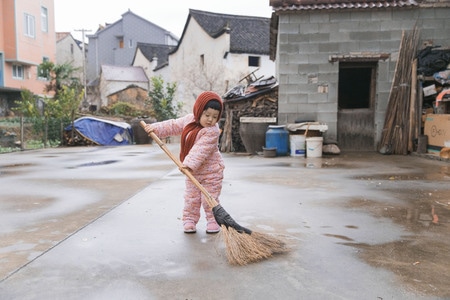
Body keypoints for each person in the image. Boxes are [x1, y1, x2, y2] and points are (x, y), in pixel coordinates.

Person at [143, 91, 224, 234]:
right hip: (192, 170)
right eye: (207, 115)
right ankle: (189, 220)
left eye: (215, 117)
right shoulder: (190, 120)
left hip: (211, 172)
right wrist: (155, 128)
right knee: (191, 197)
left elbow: (201, 149)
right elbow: (173, 125)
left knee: (209, 198)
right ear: (199, 111)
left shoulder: (212, 131)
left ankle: (213, 220)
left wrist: (188, 164)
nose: (210, 120)